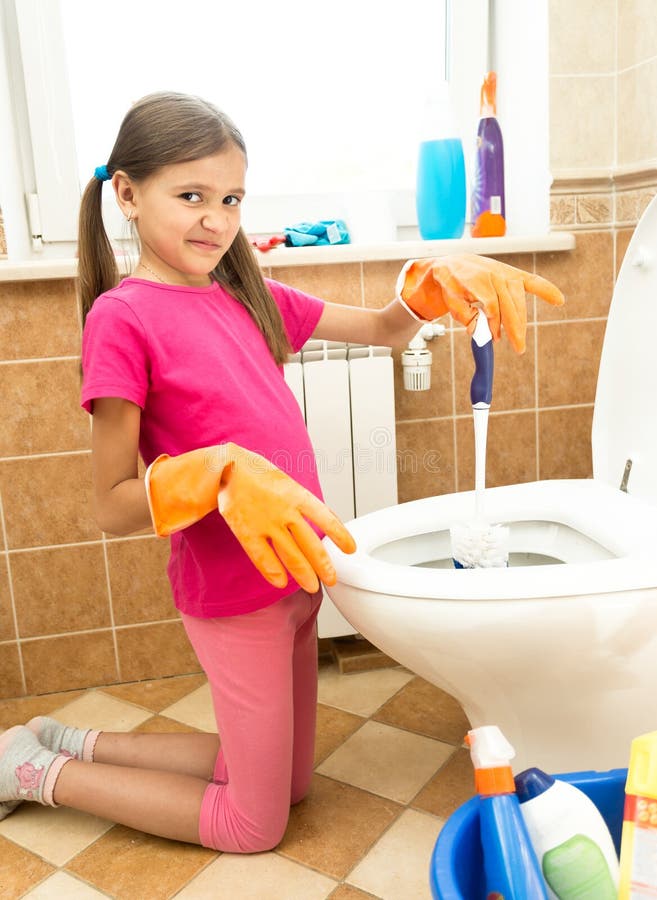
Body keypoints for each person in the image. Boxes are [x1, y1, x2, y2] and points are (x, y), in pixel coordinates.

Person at [0, 92, 564, 851]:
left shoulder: (243, 293)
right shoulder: (122, 318)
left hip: (295, 577)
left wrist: (423, 291)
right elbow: (111, 504)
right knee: (252, 825)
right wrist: (219, 471)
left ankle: (67, 741)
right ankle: (37, 774)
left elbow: (378, 330)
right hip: (232, 596)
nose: (216, 219)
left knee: (288, 782)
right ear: (128, 194)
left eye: (230, 199)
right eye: (190, 196)